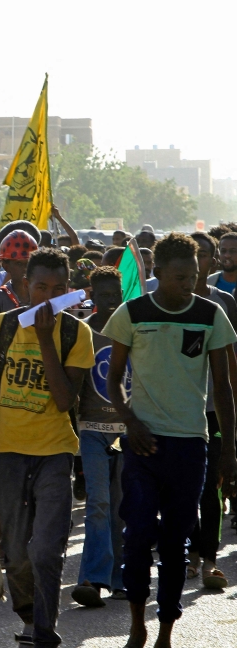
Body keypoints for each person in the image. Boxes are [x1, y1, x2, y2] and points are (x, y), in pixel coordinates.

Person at [0, 248, 94, 646]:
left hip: (55, 452)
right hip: (7, 453)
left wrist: (46, 340)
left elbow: (65, 401)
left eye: (58, 289)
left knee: (46, 549)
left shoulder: (75, 333)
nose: (48, 296)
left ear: (68, 290)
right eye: (40, 287)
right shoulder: (3, 326)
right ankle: (29, 616)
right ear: (25, 286)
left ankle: (45, 629)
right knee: (15, 552)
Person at [104, 233, 237, 648]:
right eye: (180, 277)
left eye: (194, 276)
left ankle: (165, 629)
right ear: (158, 273)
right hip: (143, 444)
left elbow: (223, 387)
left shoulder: (211, 314)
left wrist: (229, 449)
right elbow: (113, 378)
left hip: (190, 444)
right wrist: (130, 421)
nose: (188, 284)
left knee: (176, 541)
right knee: (138, 535)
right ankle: (137, 623)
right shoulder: (132, 313)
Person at [71, 266, 127, 608]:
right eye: (103, 295)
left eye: (115, 295)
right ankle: (91, 578)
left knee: (122, 508)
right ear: (92, 296)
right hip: (91, 431)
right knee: (98, 504)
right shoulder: (85, 332)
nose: (110, 302)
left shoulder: (132, 329)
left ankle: (120, 578)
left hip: (128, 433)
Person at [186, 231, 237, 588]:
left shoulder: (223, 304)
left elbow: (230, 367)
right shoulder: (163, 303)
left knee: (211, 487)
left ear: (212, 260)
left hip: (212, 409)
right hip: (178, 411)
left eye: (203, 254)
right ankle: (189, 552)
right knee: (183, 487)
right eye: (193, 255)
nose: (198, 261)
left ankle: (208, 560)